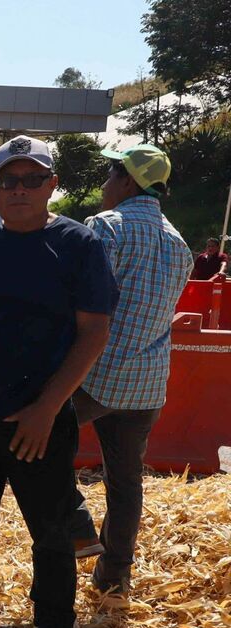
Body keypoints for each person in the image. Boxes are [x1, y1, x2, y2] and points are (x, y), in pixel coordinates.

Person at [0, 136, 117, 628]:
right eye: (10, 180)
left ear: (52, 185)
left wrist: (48, 407)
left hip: (43, 413)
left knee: (50, 527)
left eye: (33, 179)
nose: (20, 189)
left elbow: (94, 332)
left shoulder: (77, 243)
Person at [67, 144, 193, 593]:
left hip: (96, 375)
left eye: (109, 175)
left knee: (32, 443)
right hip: (147, 383)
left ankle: (76, 523)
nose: (105, 185)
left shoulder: (107, 227)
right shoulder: (180, 244)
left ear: (127, 180)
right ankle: (114, 577)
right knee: (125, 484)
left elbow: (85, 301)